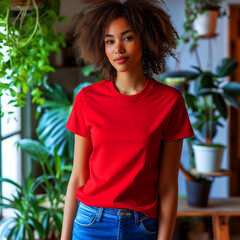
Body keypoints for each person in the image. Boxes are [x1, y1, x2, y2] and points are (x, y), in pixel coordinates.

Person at [61, 0, 194, 239]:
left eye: (127, 38)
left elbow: (167, 186)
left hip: (143, 227)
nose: (117, 49)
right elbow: (78, 176)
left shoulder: (170, 102)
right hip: (91, 224)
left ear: (146, 39)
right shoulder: (87, 99)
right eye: (109, 41)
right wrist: (64, 236)